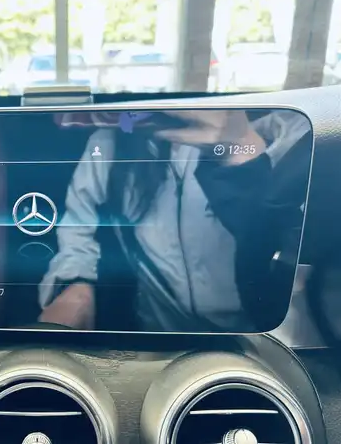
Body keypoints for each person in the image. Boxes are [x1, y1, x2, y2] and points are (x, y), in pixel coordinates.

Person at [38, 109, 312, 332]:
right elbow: (78, 229)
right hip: (159, 342)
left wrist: (242, 150)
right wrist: (76, 285)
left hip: (259, 343)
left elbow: (297, 250)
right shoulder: (111, 142)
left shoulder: (290, 130)